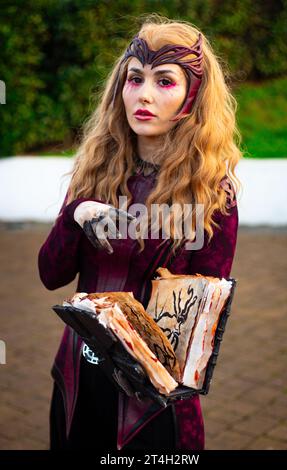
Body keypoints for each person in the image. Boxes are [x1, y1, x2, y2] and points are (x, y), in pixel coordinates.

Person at [38, 14, 241, 451]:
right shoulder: (93, 174)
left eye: (165, 82)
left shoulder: (213, 194)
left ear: (193, 98)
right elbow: (51, 275)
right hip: (78, 379)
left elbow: (201, 317)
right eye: (135, 78)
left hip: (152, 402)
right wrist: (77, 212)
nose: (143, 95)